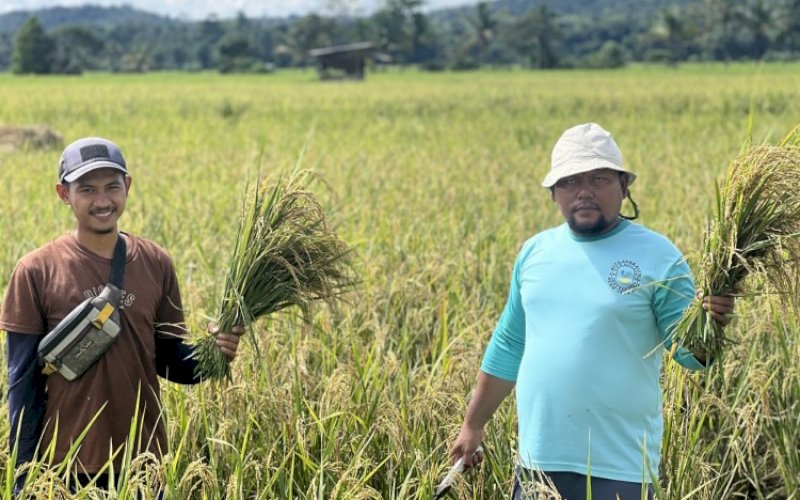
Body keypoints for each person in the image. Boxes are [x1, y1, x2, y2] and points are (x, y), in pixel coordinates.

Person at [448, 123, 735, 500]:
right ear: (554, 193)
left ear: (623, 186)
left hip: (620, 466)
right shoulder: (535, 253)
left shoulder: (659, 257)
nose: (583, 191)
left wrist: (710, 323)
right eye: (569, 181)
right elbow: (509, 344)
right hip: (539, 462)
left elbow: (692, 356)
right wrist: (473, 425)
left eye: (598, 178)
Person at [1, 137, 245, 493]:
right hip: (64, 465)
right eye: (87, 189)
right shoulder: (36, 270)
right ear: (63, 194)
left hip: (144, 462)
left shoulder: (155, 263)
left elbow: (168, 360)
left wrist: (214, 352)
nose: (102, 201)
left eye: (112, 187)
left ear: (127, 186)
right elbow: (21, 381)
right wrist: (22, 476)